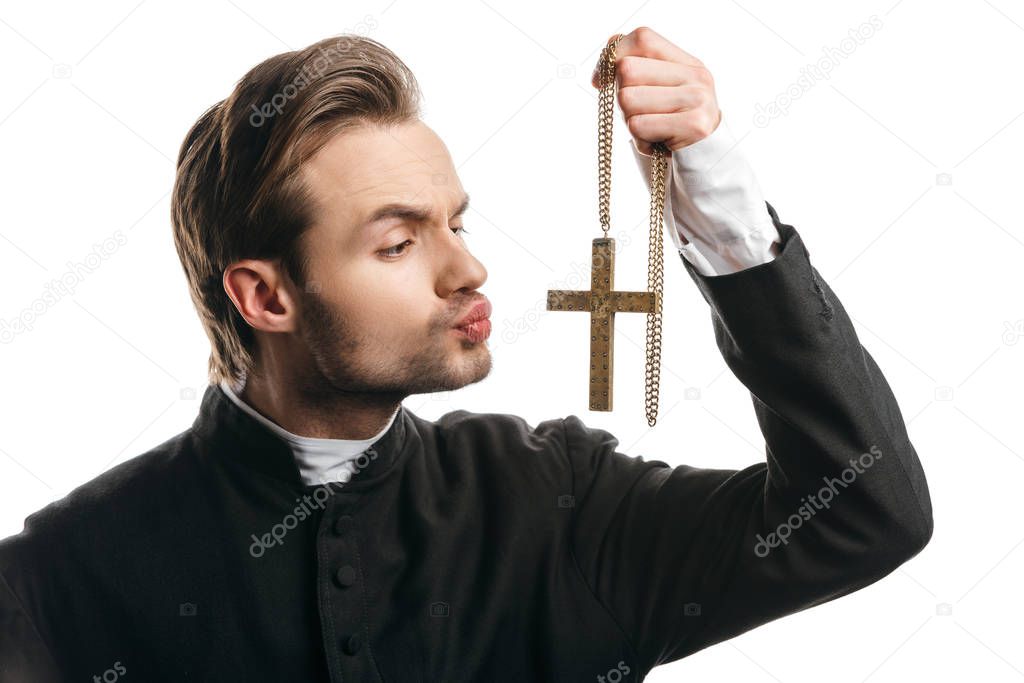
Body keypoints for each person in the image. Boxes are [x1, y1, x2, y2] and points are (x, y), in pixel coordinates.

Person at [0, 27, 932, 682]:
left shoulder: (559, 503)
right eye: (400, 243)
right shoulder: (56, 578)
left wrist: (719, 201)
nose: (470, 268)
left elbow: (863, 512)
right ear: (266, 296)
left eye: (457, 222)